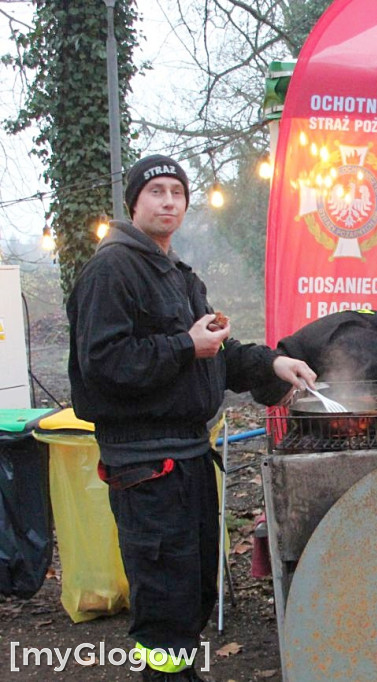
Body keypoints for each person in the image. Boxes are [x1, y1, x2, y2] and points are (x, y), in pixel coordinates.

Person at [66, 155, 316, 681]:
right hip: (146, 465)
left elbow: (216, 352)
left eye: (177, 192)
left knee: (195, 590)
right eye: (156, 191)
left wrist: (271, 362)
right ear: (134, 202)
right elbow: (105, 364)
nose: (168, 202)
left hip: (188, 457)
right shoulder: (111, 269)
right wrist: (185, 345)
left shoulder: (176, 273)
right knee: (164, 602)